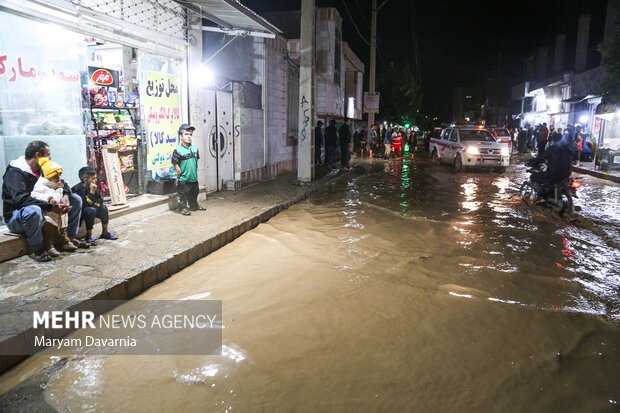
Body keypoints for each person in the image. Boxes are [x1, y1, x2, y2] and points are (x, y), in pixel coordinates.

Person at [2, 141, 87, 262]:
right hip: (17, 217)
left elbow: (63, 183)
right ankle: (36, 248)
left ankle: (69, 238)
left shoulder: (43, 168)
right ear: (38, 155)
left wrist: (66, 196)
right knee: (33, 210)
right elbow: (21, 200)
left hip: (45, 208)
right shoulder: (15, 173)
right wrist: (50, 206)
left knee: (76, 199)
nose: (50, 157)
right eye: (48, 154)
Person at [30, 157, 77, 257]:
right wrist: (49, 199)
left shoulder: (59, 185)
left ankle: (64, 242)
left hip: (60, 212)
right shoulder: (41, 186)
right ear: (48, 176)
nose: (59, 178)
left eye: (59, 175)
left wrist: (65, 200)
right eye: (56, 176)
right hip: (49, 213)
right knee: (49, 230)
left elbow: (64, 191)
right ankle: (49, 246)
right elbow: (35, 195)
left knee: (62, 228)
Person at [72, 167, 117, 246]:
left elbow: (100, 202)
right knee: (91, 210)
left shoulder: (94, 186)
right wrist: (91, 193)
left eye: (96, 178)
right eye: (93, 178)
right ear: (85, 180)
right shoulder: (77, 189)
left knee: (103, 208)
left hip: (91, 208)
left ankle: (105, 232)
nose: (95, 180)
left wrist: (96, 201)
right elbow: (83, 205)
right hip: (82, 213)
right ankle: (89, 236)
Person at [171, 123, 205, 216]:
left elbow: (195, 161)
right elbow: (174, 162)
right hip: (184, 179)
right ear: (181, 136)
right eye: (186, 134)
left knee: (194, 193)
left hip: (193, 178)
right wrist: (177, 168)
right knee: (183, 195)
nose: (189, 136)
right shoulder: (177, 150)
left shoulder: (195, 149)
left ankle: (194, 206)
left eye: (190, 134)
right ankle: (183, 208)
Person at [527, 133, 573, 201]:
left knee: (533, 176)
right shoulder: (568, 148)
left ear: (553, 140)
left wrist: (532, 162)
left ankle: (540, 197)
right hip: (567, 174)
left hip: (554, 174)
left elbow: (541, 157)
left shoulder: (552, 148)